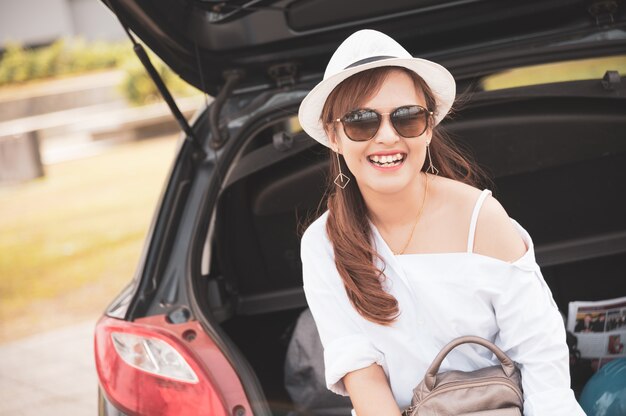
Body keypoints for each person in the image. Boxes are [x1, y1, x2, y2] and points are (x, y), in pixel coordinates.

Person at [298, 29, 585, 416]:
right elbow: (361, 374)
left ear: (429, 127)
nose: (386, 137)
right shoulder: (323, 243)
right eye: (361, 121)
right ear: (334, 136)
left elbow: (540, 357)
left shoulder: (480, 217)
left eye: (407, 118)